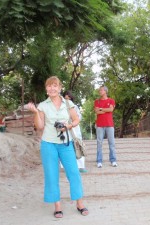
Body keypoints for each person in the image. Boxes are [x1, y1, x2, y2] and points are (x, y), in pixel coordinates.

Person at [27, 76, 89, 218]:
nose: (52, 88)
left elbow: (76, 119)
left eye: (55, 85)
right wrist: (36, 113)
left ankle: (79, 203)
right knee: (51, 175)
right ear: (46, 89)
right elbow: (40, 126)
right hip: (48, 144)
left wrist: (67, 126)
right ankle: (57, 206)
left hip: (66, 144)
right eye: (49, 86)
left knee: (74, 173)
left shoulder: (68, 103)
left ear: (60, 88)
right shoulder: (42, 105)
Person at [63, 90, 88, 173]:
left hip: (74, 129)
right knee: (66, 147)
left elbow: (78, 118)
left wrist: (72, 122)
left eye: (68, 98)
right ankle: (67, 166)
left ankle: (81, 166)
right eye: (65, 98)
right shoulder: (61, 107)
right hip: (65, 130)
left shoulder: (75, 107)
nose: (67, 100)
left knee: (78, 145)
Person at [94, 85, 117, 168]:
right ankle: (99, 161)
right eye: (99, 90)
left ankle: (113, 160)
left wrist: (101, 109)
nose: (100, 92)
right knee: (99, 143)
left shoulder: (111, 100)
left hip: (109, 124)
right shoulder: (97, 101)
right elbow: (97, 112)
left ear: (105, 91)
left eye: (101, 90)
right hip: (100, 125)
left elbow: (111, 110)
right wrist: (104, 110)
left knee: (112, 143)